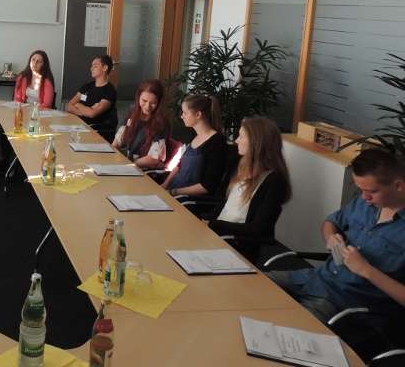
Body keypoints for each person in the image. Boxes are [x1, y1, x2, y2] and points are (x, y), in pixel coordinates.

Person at [269, 148, 405, 327]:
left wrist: (366, 270)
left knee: (285, 329)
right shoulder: (365, 203)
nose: (365, 197)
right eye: (360, 189)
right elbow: (330, 222)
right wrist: (331, 237)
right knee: (250, 285)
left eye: (371, 191)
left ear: (398, 185)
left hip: (344, 302)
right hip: (313, 278)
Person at [208, 117, 292, 262]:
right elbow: (225, 205)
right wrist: (208, 221)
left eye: (241, 136)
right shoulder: (240, 165)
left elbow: (257, 229)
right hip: (217, 234)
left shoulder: (274, 181)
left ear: (256, 142)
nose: (236, 141)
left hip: (236, 245)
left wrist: (214, 224)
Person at [164, 94, 227, 198]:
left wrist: (175, 192)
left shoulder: (217, 142)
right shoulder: (193, 135)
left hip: (187, 199)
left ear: (198, 115)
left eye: (185, 113)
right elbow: (180, 165)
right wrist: (165, 185)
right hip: (173, 192)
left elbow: (208, 185)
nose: (181, 116)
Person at [112, 79, 170, 169]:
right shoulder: (132, 113)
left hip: (144, 170)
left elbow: (153, 159)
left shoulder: (161, 123)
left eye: (153, 103)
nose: (147, 106)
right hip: (129, 164)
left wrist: (129, 165)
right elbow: (119, 140)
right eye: (144, 100)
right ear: (138, 97)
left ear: (159, 103)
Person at [66, 55, 118, 142]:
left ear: (105, 68)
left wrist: (78, 105)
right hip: (80, 126)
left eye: (95, 66)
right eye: (91, 66)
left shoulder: (109, 91)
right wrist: (85, 111)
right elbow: (69, 106)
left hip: (96, 131)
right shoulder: (87, 86)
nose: (91, 68)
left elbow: (92, 114)